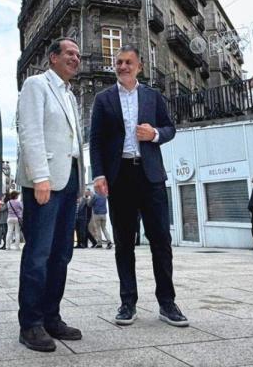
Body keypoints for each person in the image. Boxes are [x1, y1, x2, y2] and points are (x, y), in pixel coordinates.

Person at [89, 45, 187, 328]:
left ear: (139, 66)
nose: (122, 66)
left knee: (161, 241)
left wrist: (154, 133)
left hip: (151, 176)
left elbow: (170, 128)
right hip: (120, 177)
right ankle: (127, 302)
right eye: (118, 62)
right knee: (123, 243)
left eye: (128, 62)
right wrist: (99, 175)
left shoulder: (152, 96)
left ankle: (167, 303)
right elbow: (95, 141)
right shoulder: (103, 99)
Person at [15, 37, 85, 352]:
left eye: (78, 55)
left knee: (61, 254)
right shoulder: (36, 85)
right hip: (44, 180)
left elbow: (71, 142)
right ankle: (30, 324)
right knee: (39, 253)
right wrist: (40, 176)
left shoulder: (70, 95)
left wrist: (79, 183)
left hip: (69, 180)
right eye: (69, 53)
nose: (76, 58)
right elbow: (29, 130)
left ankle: (51, 317)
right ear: (52, 57)